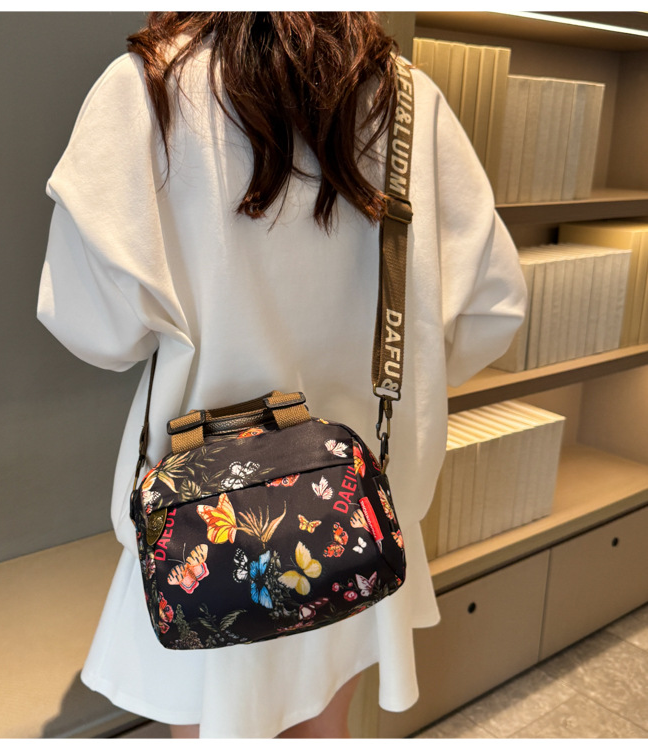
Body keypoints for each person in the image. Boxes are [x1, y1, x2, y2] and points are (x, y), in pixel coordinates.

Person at [37, 12, 526, 739]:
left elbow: (98, 330)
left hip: (205, 529)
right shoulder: (408, 100)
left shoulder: (149, 88)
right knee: (326, 728)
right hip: (356, 510)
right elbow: (491, 311)